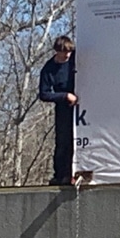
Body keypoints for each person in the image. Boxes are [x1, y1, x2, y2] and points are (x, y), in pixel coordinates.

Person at [38, 35, 77, 186]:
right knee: (63, 141)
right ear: (56, 51)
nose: (67, 55)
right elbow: (44, 94)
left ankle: (74, 173)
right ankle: (60, 175)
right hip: (64, 107)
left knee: (78, 141)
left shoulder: (75, 59)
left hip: (83, 105)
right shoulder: (49, 69)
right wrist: (65, 96)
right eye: (64, 52)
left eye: (69, 52)